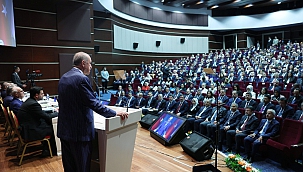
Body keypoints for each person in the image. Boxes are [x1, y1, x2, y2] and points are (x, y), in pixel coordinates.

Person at [57, 52, 128, 172]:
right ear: (83, 63)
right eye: (90, 64)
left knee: (69, 167)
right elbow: (93, 103)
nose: (91, 67)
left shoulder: (64, 77)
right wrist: (115, 113)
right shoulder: (82, 79)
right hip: (79, 133)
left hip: (65, 130)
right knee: (82, 167)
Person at [18, 87, 58, 157]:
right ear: (36, 95)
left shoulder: (30, 101)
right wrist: (59, 112)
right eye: (42, 93)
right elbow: (47, 116)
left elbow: (41, 113)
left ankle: (47, 147)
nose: (43, 95)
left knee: (48, 123)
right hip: (30, 130)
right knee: (54, 129)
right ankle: (49, 150)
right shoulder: (33, 104)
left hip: (27, 126)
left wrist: (52, 111)